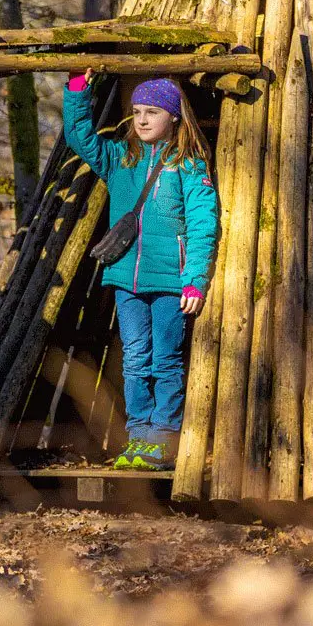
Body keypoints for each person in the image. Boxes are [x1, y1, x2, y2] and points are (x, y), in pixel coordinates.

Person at [62, 73, 219, 471]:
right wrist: (78, 89)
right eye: (136, 112)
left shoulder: (188, 165)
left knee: (165, 360)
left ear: (174, 117)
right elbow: (79, 137)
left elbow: (203, 223)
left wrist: (194, 281)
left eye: (153, 112)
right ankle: (138, 437)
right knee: (134, 358)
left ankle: (163, 440)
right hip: (126, 279)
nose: (143, 120)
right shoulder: (120, 159)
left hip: (170, 282)